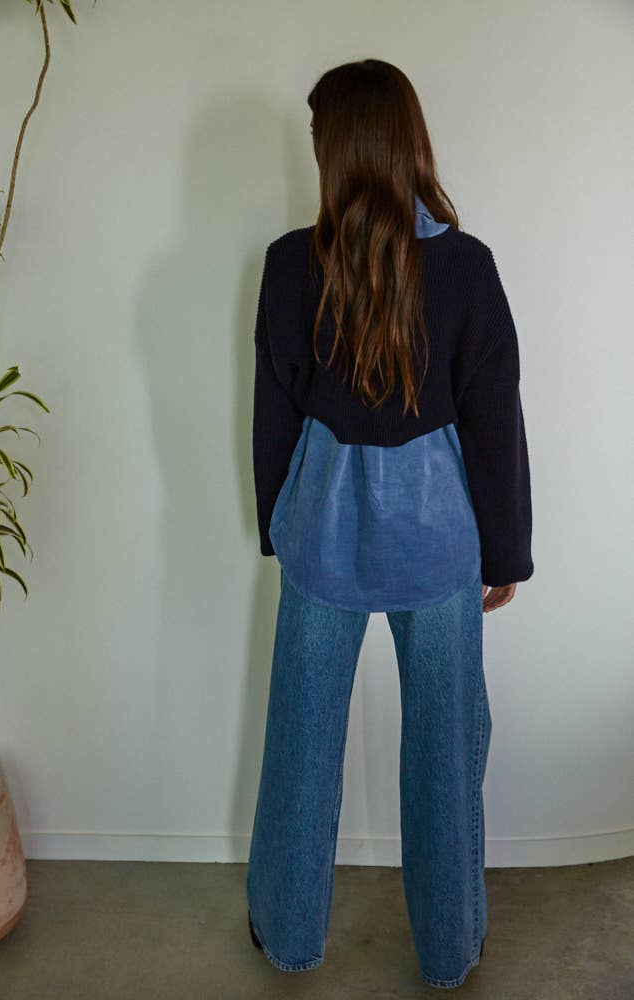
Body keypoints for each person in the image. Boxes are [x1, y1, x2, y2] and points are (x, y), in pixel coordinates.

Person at [246, 58, 534, 991]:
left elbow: (275, 413)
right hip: (439, 541)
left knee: (300, 741)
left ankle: (288, 937)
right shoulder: (465, 267)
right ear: (408, 142)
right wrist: (506, 551)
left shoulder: (293, 264)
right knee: (446, 753)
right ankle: (450, 950)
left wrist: (274, 525)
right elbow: (496, 420)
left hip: (322, 537)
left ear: (338, 150)